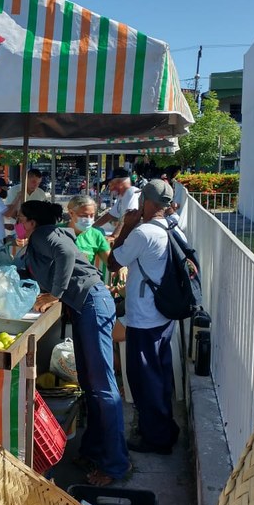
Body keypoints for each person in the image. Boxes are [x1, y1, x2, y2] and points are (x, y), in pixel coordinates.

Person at [17, 200, 130, 487]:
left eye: (20, 219)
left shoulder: (44, 233)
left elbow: (66, 254)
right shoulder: (41, 237)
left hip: (92, 303)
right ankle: (93, 451)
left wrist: (56, 293)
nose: (18, 222)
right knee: (91, 386)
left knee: (104, 389)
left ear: (31, 221)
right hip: (86, 306)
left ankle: (116, 465)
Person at [108, 179, 181, 455]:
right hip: (163, 314)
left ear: (147, 203)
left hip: (145, 318)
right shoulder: (174, 226)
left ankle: (155, 438)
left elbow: (113, 263)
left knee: (144, 380)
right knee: (160, 375)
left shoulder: (144, 233)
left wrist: (127, 225)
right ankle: (165, 428)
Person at [93, 167, 141, 245]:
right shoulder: (121, 196)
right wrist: (92, 228)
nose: (110, 188)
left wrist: (114, 236)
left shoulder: (131, 192)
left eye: (110, 184)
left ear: (119, 183)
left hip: (136, 238)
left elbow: (128, 217)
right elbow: (109, 216)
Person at [66, 195, 110, 268]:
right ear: (71, 213)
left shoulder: (96, 235)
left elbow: (110, 262)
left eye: (92, 216)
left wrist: (121, 267)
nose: (88, 219)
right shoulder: (56, 231)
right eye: (84, 215)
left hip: (85, 277)